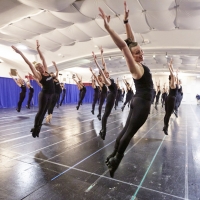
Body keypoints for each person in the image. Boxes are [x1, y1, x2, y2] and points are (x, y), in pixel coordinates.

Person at [99, 1, 153, 177]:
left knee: (124, 132)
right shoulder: (136, 68)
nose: (141, 54)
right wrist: (108, 29)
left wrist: (126, 22)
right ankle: (116, 161)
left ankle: (113, 154)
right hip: (142, 104)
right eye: (137, 53)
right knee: (128, 133)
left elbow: (130, 42)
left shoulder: (138, 61)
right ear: (131, 56)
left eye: (141, 51)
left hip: (136, 101)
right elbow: (124, 46)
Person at [11, 40, 55, 138]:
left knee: (44, 113)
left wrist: (38, 49)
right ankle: (35, 128)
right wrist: (20, 52)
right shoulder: (38, 75)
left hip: (50, 95)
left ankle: (37, 128)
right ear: (37, 70)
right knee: (40, 112)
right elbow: (29, 64)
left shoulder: (47, 71)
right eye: (39, 68)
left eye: (41, 66)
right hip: (44, 95)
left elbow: (42, 58)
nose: (41, 68)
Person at [92, 49, 117, 140]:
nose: (107, 72)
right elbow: (101, 70)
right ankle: (103, 130)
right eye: (106, 73)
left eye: (107, 72)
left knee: (106, 114)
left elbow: (104, 64)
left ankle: (103, 130)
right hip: (111, 97)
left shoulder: (109, 78)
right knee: (106, 115)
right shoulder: (107, 81)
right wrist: (95, 62)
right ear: (104, 75)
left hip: (112, 96)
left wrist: (101, 54)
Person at [163, 60, 178, 135]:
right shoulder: (173, 84)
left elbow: (173, 75)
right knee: (168, 114)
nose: (174, 77)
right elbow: (172, 75)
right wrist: (170, 68)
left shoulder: (173, 83)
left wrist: (171, 65)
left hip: (170, 98)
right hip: (171, 99)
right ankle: (165, 127)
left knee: (168, 113)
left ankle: (165, 126)